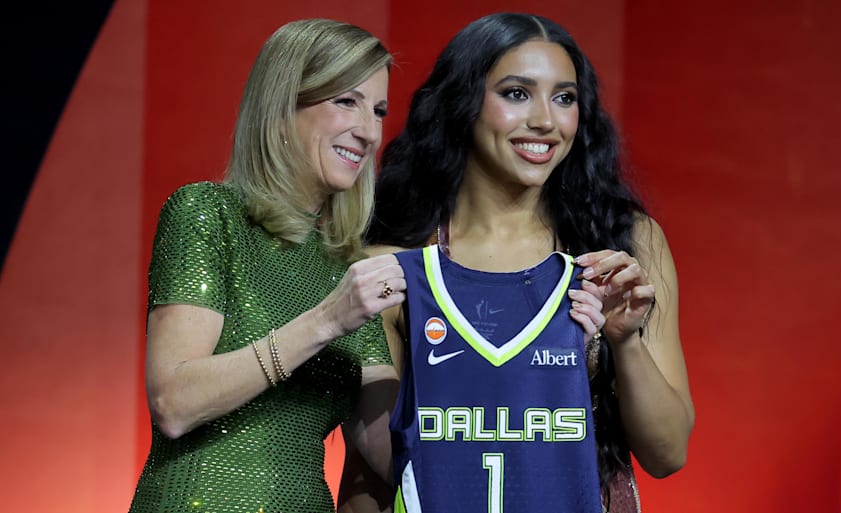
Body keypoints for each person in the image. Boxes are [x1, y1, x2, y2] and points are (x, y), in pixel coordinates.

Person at [351, 12, 695, 513]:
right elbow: (376, 472)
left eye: (564, 98)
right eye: (516, 93)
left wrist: (625, 340)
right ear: (462, 103)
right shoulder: (396, 266)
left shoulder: (624, 244)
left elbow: (668, 453)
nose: (545, 121)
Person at [128, 19, 406, 513]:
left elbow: (393, 454)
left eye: (378, 110)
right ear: (282, 105)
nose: (368, 131)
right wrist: (325, 322)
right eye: (346, 101)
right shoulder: (207, 214)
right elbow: (173, 403)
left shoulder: (343, 269)